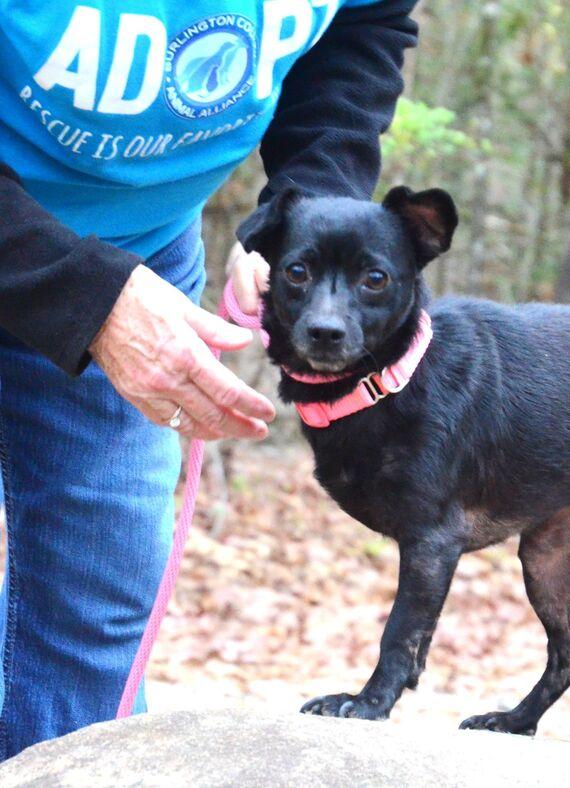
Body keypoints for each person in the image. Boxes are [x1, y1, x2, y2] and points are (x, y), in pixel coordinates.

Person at [0, 0, 418, 759]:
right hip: (75, 266)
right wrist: (83, 294)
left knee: (97, 598)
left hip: (139, 255)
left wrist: (298, 213)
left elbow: (362, 29)